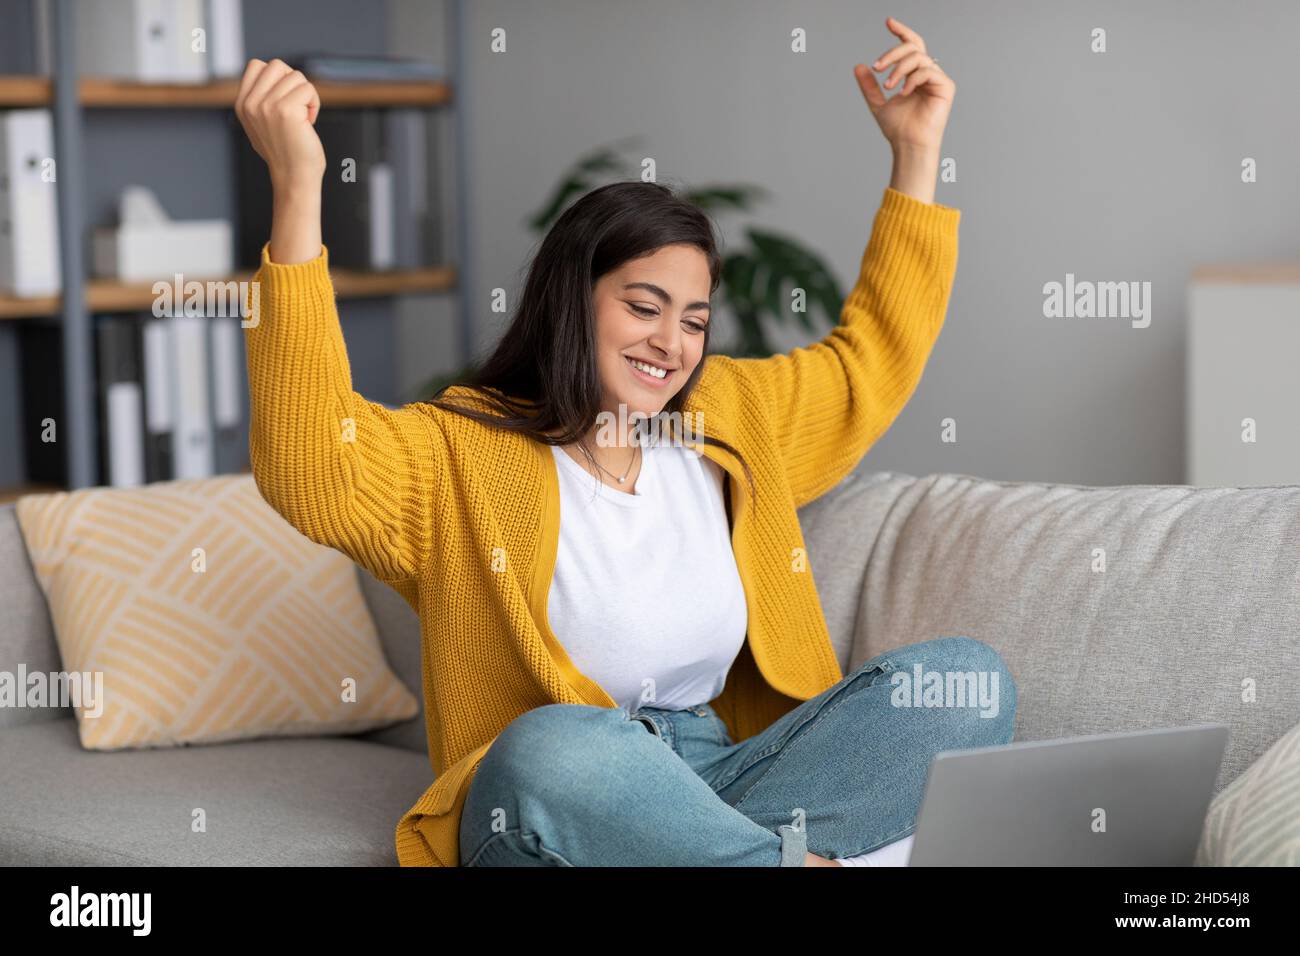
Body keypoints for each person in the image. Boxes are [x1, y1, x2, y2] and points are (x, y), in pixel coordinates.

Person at [232, 15, 1016, 867]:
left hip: (720, 786)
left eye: (694, 321)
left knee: (964, 684)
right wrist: (298, 186)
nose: (671, 343)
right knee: (550, 746)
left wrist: (915, 152)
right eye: (644, 307)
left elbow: (869, 363)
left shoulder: (729, 415)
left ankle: (734, 858)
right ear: (572, 301)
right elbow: (311, 464)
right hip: (561, 798)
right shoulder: (457, 452)